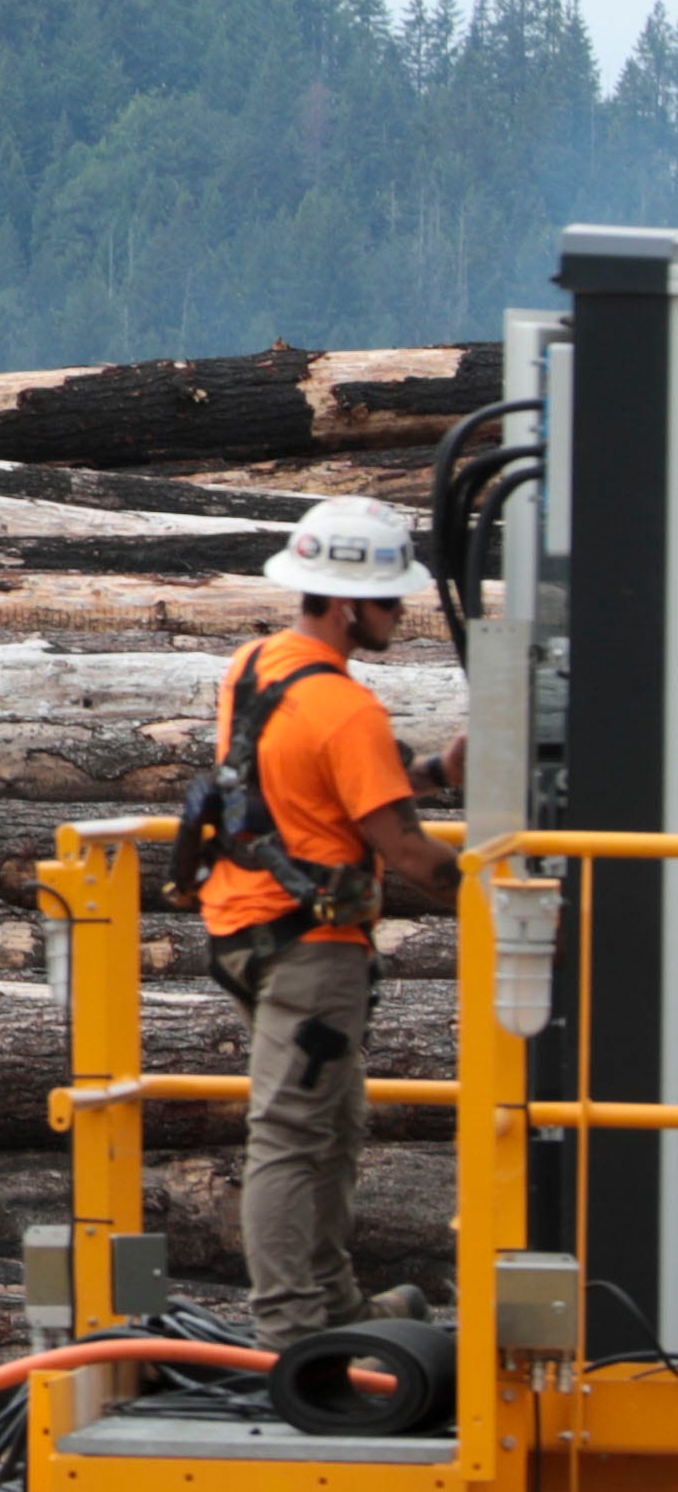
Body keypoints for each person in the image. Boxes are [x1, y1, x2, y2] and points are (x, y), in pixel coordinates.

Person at [193, 494, 461, 1343]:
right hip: (310, 948)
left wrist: (435, 770)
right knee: (292, 1133)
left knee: (334, 1122)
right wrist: (516, 904)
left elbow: (309, 795)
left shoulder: (254, 667)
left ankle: (333, 1305)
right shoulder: (347, 707)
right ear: (349, 603)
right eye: (391, 600)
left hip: (245, 928)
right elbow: (410, 852)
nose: (399, 613)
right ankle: (289, 1331)